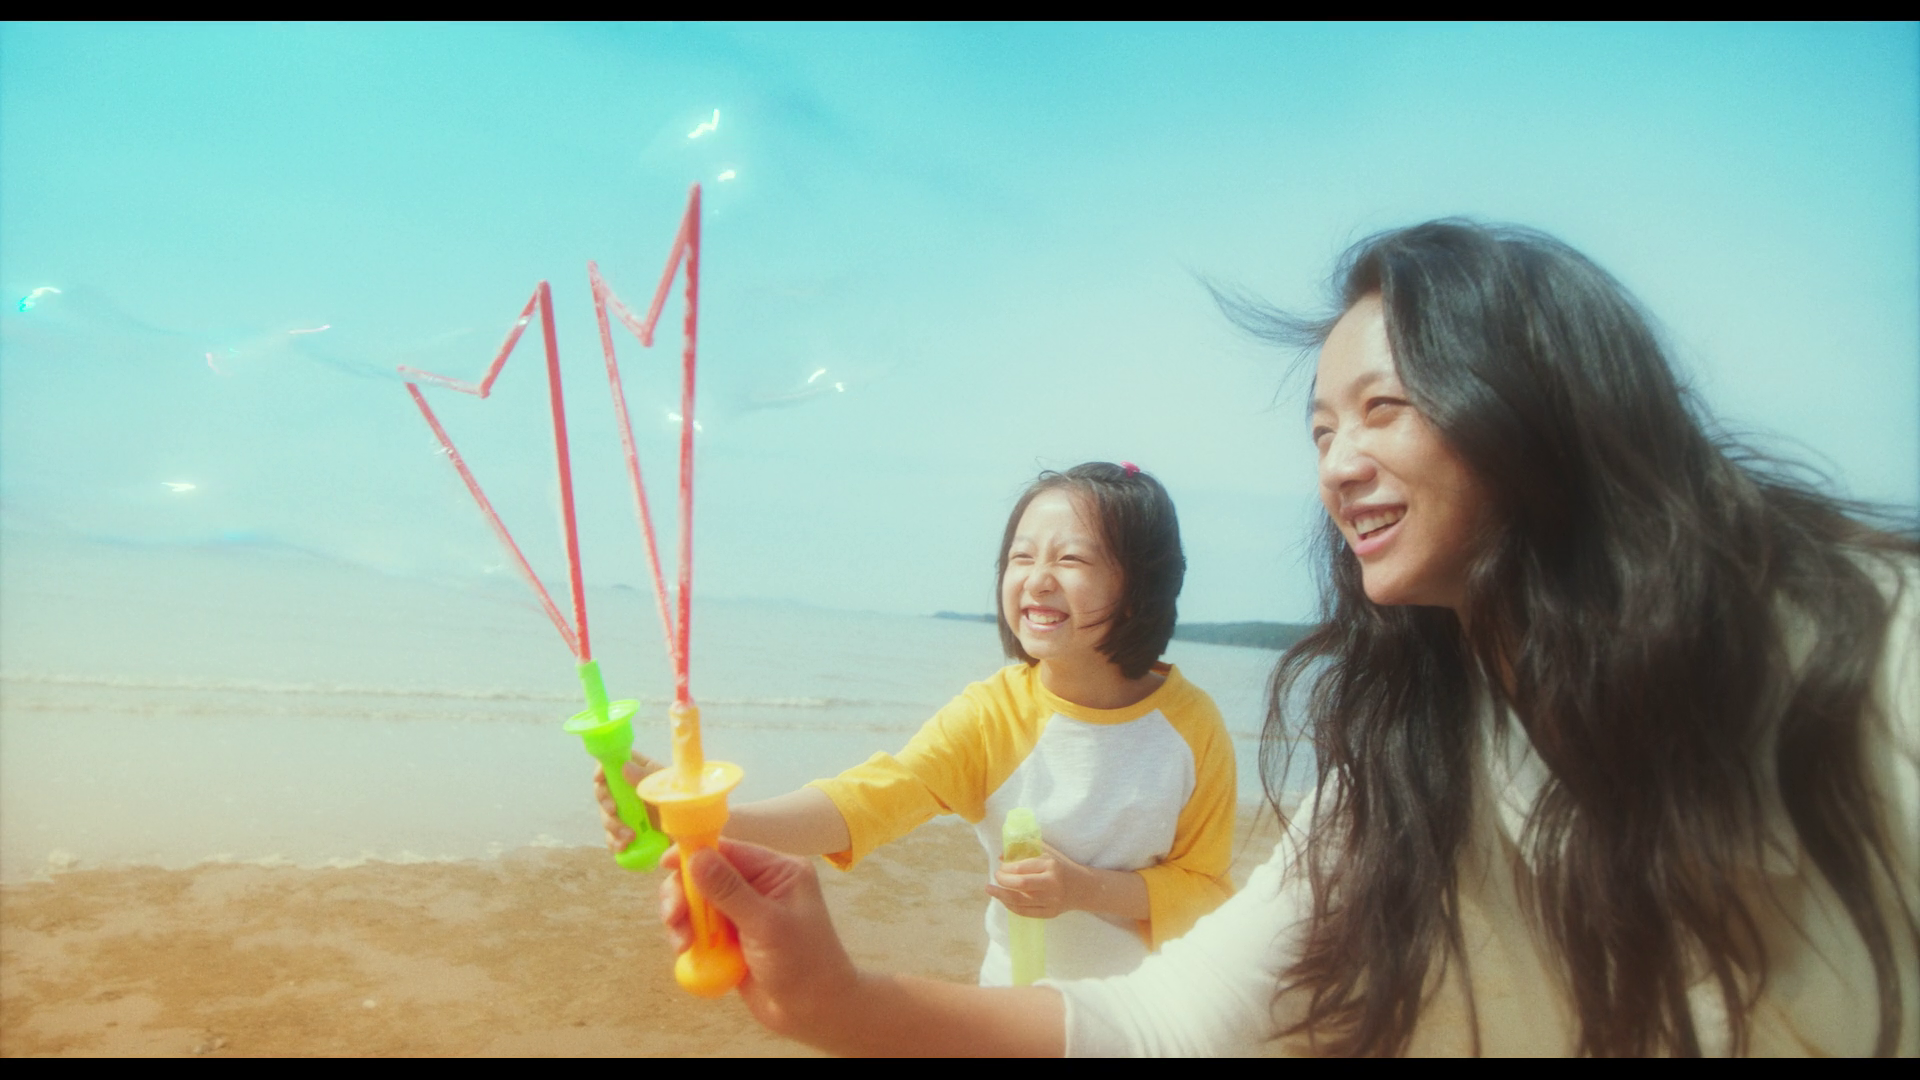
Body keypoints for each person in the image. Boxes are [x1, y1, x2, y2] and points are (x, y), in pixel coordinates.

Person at [645, 222, 1919, 1056]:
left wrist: (1085, 894)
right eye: (1319, 430)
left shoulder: (1866, 658)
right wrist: (818, 971)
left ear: (1535, 406)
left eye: (1384, 406)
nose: (1339, 464)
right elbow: (1153, 1009)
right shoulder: (1408, 760)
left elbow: (1192, 907)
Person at [601, 462, 1238, 984]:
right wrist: (707, 818)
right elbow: (868, 801)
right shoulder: (992, 717)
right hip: (1018, 1010)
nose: (1037, 580)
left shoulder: (1192, 727)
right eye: (1020, 557)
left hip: (1153, 1014)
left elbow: (1205, 889)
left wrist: (1085, 889)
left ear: (1141, 587)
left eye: (1071, 559)